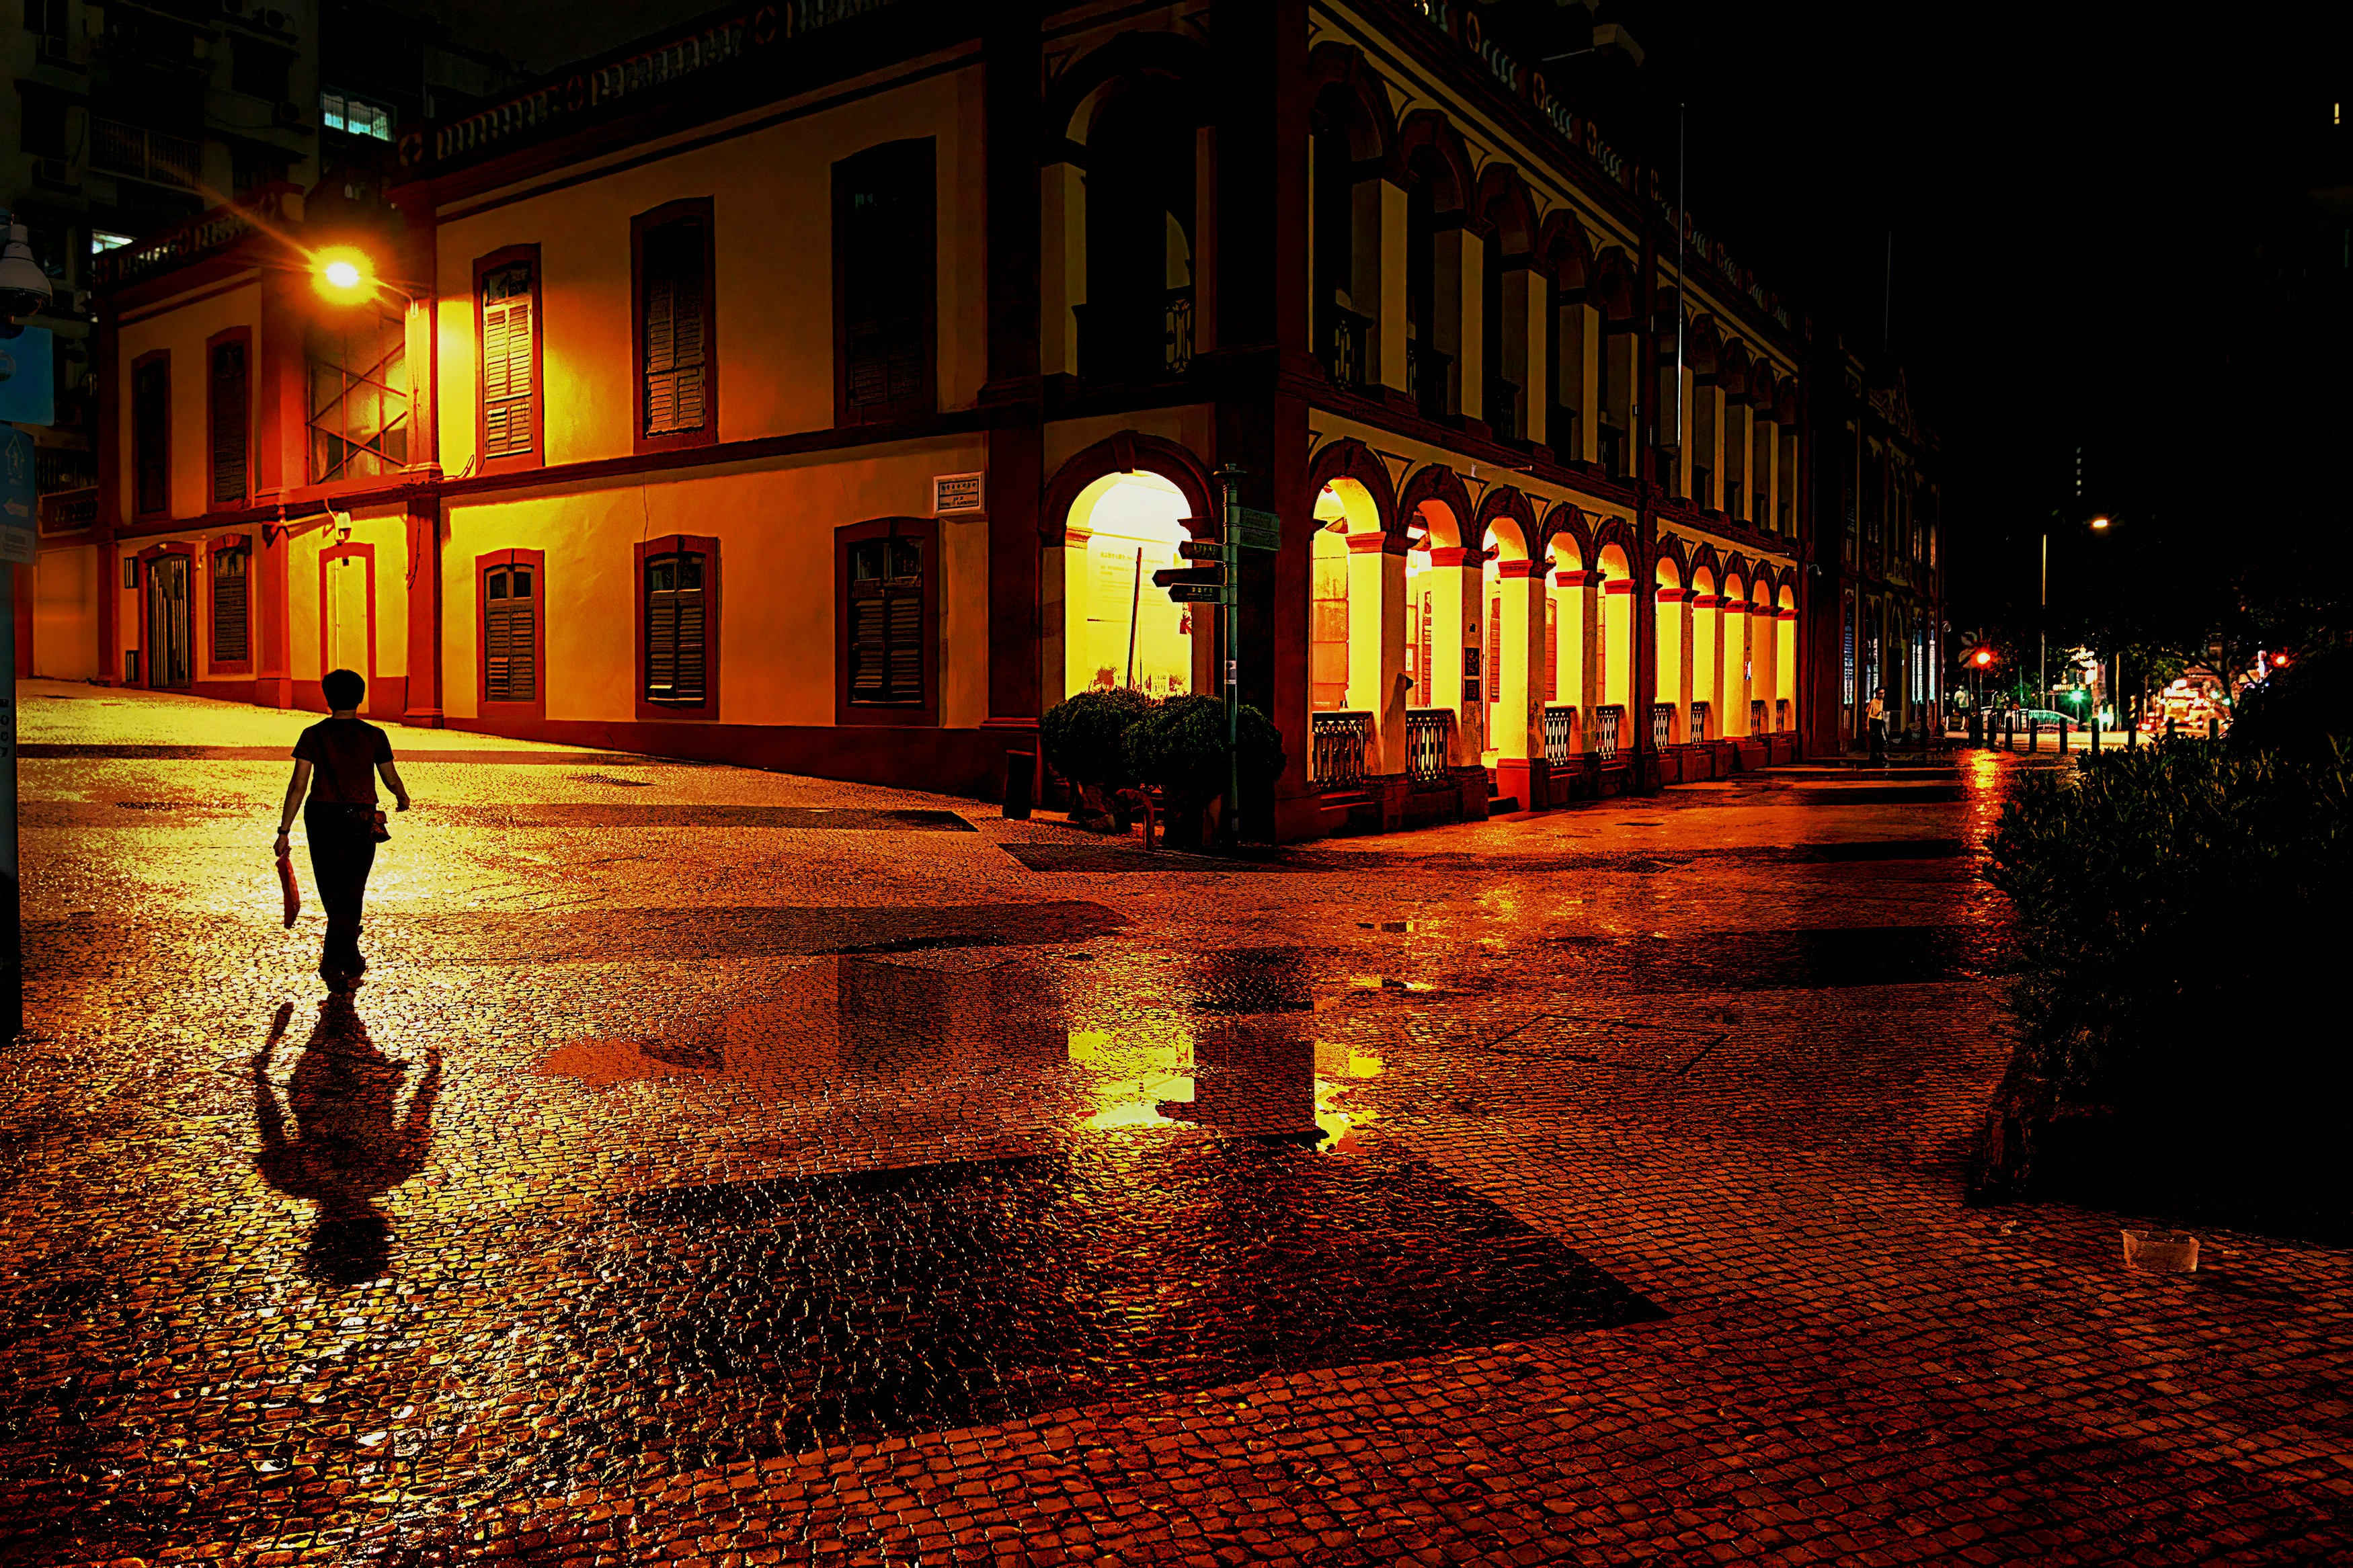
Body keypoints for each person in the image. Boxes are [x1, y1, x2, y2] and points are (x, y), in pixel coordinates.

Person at [274, 669, 410, 988]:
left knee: (331, 888)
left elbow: (298, 785)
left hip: (321, 816)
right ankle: (340, 957)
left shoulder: (313, 734)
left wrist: (284, 831)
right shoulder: (374, 735)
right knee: (353, 887)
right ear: (361, 698)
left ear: (327, 698)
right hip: (361, 818)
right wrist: (401, 796)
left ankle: (342, 957)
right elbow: (389, 776)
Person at [1866, 686, 1888, 766]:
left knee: (1880, 738)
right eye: (1880, 694)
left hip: (1879, 720)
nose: (1882, 695)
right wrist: (1868, 725)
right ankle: (1874, 757)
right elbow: (1869, 713)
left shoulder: (1882, 701)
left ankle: (1879, 756)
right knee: (1875, 738)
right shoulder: (1873, 702)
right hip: (1873, 720)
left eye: (1883, 693)